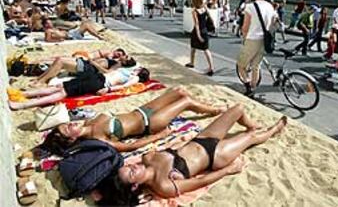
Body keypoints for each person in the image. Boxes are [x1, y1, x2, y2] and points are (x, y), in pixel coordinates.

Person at [113, 105, 287, 205]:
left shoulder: (147, 158)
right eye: (131, 172)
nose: (132, 166)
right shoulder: (163, 186)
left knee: (238, 109)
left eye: (129, 167)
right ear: (135, 186)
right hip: (215, 157)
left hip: (201, 139)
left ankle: (251, 125)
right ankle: (274, 130)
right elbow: (200, 181)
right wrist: (229, 170)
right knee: (250, 138)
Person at [41, 88, 226, 154]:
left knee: (179, 92)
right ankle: (215, 110)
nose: (70, 124)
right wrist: (161, 135)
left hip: (141, 110)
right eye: (68, 129)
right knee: (185, 101)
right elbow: (131, 146)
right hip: (151, 123)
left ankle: (204, 105)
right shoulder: (98, 138)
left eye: (66, 124)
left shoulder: (88, 123)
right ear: (72, 139)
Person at [8, 66, 150, 110]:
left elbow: (124, 87)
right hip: (97, 77)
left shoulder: (135, 78)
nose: (138, 67)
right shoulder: (131, 71)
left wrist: (108, 90)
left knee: (63, 92)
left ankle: (23, 104)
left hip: (100, 84)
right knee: (60, 86)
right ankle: (24, 94)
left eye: (140, 69)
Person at [237, 0, 277, 97]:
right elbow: (274, 21)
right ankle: (254, 88)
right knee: (256, 66)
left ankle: (248, 86)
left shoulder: (250, 7)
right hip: (263, 39)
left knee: (241, 65)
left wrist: (244, 38)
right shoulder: (270, 6)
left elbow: (245, 26)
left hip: (252, 38)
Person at [32, 53, 136, 86]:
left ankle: (41, 81)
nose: (124, 55)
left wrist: (94, 63)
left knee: (61, 62)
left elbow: (108, 73)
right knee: (59, 59)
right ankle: (39, 78)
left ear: (125, 62)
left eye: (126, 57)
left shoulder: (118, 66)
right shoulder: (116, 60)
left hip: (88, 68)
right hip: (87, 63)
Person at [185, 0, 214, 76]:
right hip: (205, 30)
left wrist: (198, 35)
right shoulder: (204, 8)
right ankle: (211, 67)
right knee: (206, 50)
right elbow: (210, 17)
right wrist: (212, 25)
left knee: (193, 47)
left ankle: (192, 62)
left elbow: (197, 24)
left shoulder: (194, 11)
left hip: (197, 32)